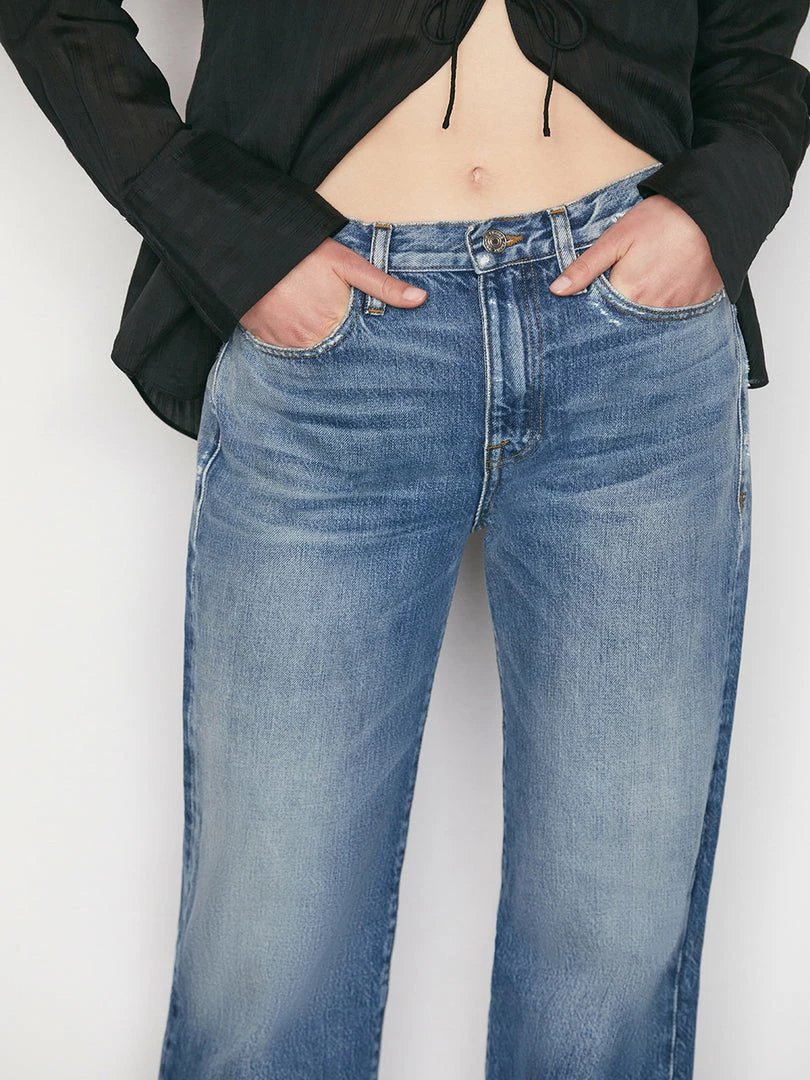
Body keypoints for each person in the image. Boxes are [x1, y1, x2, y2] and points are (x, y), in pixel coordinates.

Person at [1, 1, 809, 1077]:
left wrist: (716, 209)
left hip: (632, 348)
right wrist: (223, 228)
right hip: (331, 344)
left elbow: (755, 34)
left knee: (609, 951)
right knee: (270, 956)